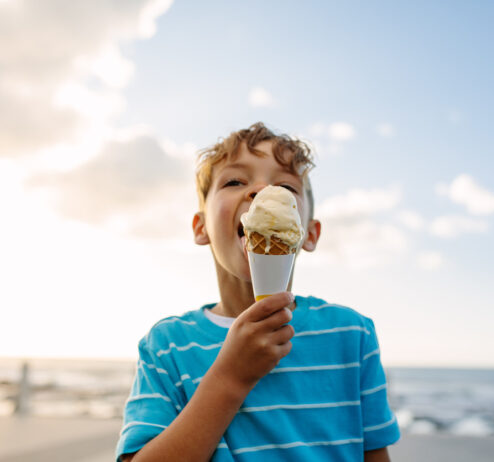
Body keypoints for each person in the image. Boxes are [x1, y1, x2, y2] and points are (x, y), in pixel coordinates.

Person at [116, 122, 400, 461]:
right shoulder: (167, 346)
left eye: (284, 186)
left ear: (308, 233)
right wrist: (230, 377)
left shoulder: (351, 335)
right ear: (201, 226)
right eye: (235, 181)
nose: (262, 191)